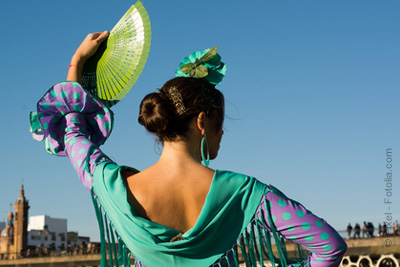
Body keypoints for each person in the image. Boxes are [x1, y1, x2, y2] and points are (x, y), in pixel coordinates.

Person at [31, 32, 347, 266]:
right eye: (219, 123)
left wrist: (77, 63)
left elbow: (74, 134)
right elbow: (330, 246)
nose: (222, 132)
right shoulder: (244, 193)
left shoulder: (111, 186)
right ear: (201, 122)